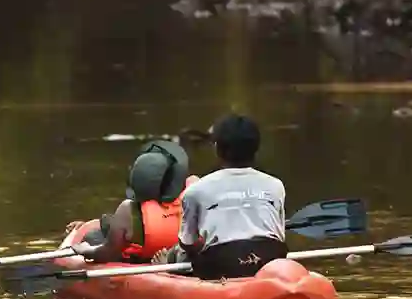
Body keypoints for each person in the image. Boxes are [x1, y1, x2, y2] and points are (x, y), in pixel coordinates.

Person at [159, 114, 287, 280]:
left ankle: (164, 268)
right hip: (270, 261)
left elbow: (187, 243)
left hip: (221, 267)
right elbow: (279, 235)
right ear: (256, 147)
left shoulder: (196, 190)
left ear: (217, 148)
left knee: (179, 250)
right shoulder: (276, 185)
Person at [68, 140, 199, 264]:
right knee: (108, 224)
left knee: (93, 237)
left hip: (144, 255)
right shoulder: (195, 187)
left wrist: (86, 250)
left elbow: (108, 253)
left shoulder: (127, 210)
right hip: (182, 251)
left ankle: (105, 225)